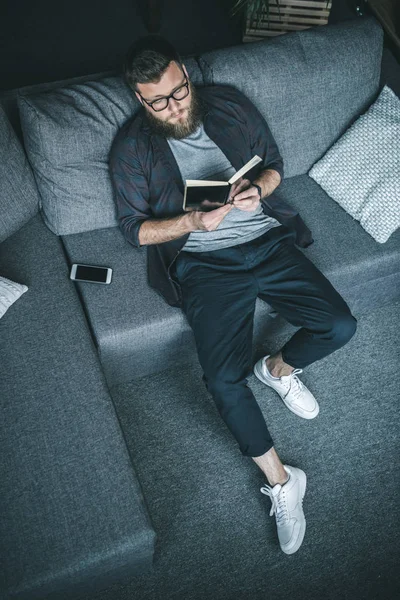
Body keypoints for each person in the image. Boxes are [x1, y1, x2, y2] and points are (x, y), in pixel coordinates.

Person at [109, 35, 357, 555]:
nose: (175, 106)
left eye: (179, 90)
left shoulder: (226, 102)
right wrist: (192, 220)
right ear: (139, 99)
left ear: (185, 76)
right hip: (204, 263)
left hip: (266, 239)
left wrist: (258, 191)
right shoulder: (133, 148)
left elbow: (273, 163)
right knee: (223, 377)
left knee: (339, 325)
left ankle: (279, 370)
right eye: (160, 100)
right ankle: (283, 480)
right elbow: (134, 230)